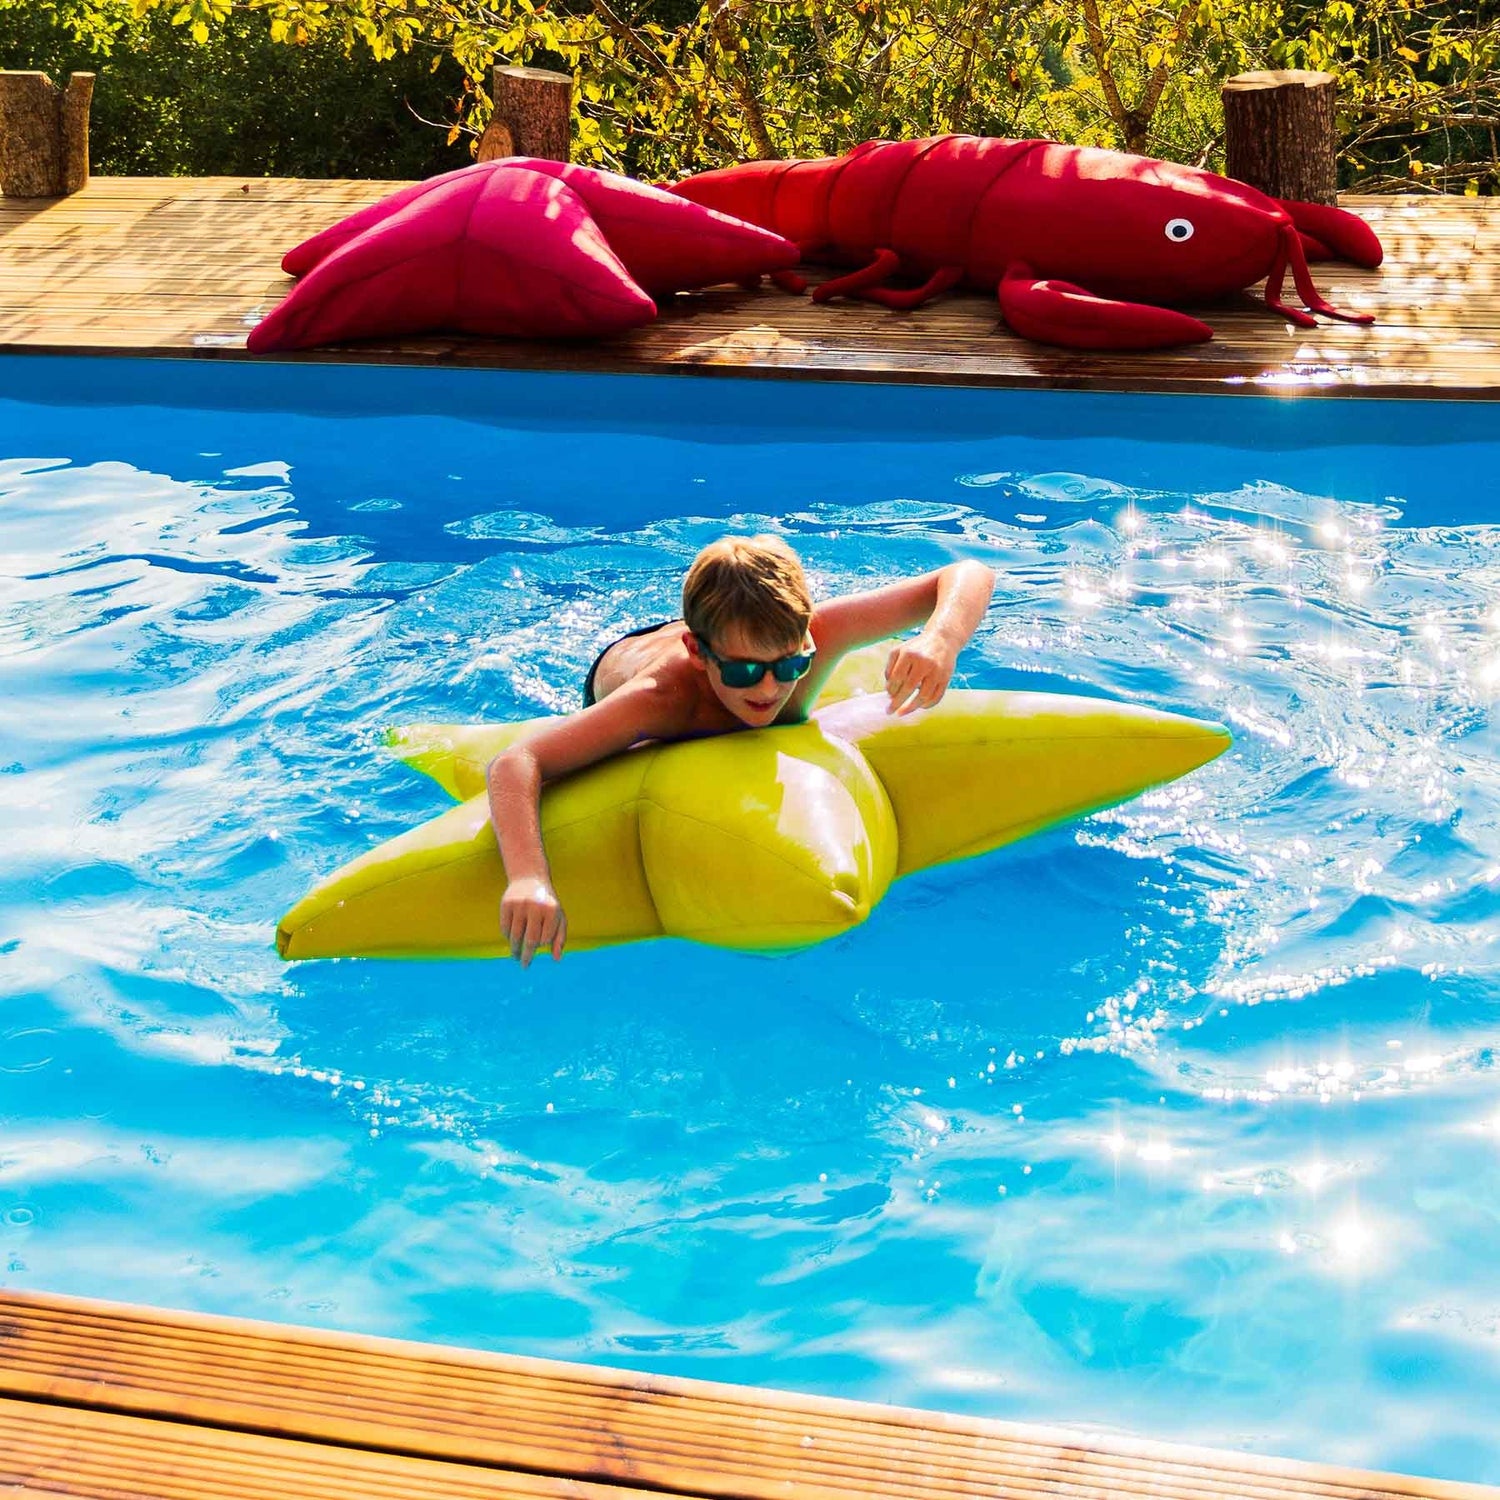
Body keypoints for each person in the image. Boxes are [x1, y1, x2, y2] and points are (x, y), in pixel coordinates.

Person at [487, 534, 995, 965]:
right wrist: (529, 879)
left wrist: (941, 640)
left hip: (719, 631)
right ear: (699, 655)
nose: (772, 689)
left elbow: (969, 572)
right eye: (745, 672)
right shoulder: (664, 700)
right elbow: (515, 763)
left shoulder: (817, 634)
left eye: (791, 666)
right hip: (630, 661)